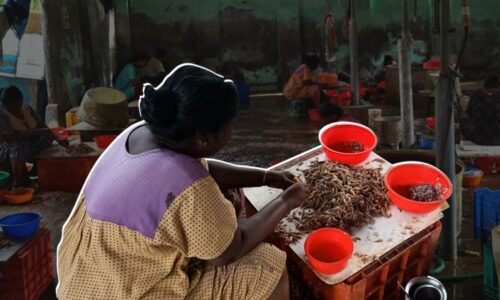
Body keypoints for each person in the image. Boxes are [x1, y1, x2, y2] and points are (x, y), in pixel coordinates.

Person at [57, 63, 308, 299]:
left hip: (86, 275)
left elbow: (205, 169)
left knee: (230, 198)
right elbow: (230, 250)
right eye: (231, 126)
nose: (233, 131)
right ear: (204, 137)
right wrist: (287, 200)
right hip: (127, 290)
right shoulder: (188, 187)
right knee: (269, 267)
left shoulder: (142, 133)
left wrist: (265, 177)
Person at [0, 86, 65, 187]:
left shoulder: (27, 109)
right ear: (6, 106)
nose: (18, 109)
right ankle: (18, 184)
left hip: (32, 142)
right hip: (9, 148)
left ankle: (38, 171)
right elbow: (9, 138)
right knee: (18, 147)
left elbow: (42, 125)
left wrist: (56, 137)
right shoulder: (2, 115)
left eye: (19, 105)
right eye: (14, 107)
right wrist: (36, 132)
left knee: (47, 140)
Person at [462, 75, 500, 145]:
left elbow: (469, 113)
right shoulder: (497, 97)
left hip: (476, 137)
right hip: (496, 139)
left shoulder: (476, 94)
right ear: (497, 87)